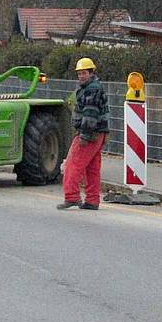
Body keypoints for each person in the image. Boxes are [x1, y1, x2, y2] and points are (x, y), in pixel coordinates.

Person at [57, 57, 110, 210]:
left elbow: (90, 114)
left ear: (91, 72)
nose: (81, 76)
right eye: (79, 73)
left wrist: (84, 136)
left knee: (72, 165)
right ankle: (92, 200)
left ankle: (71, 197)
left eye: (84, 73)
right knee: (92, 168)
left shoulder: (91, 89)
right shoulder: (93, 87)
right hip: (100, 133)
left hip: (89, 133)